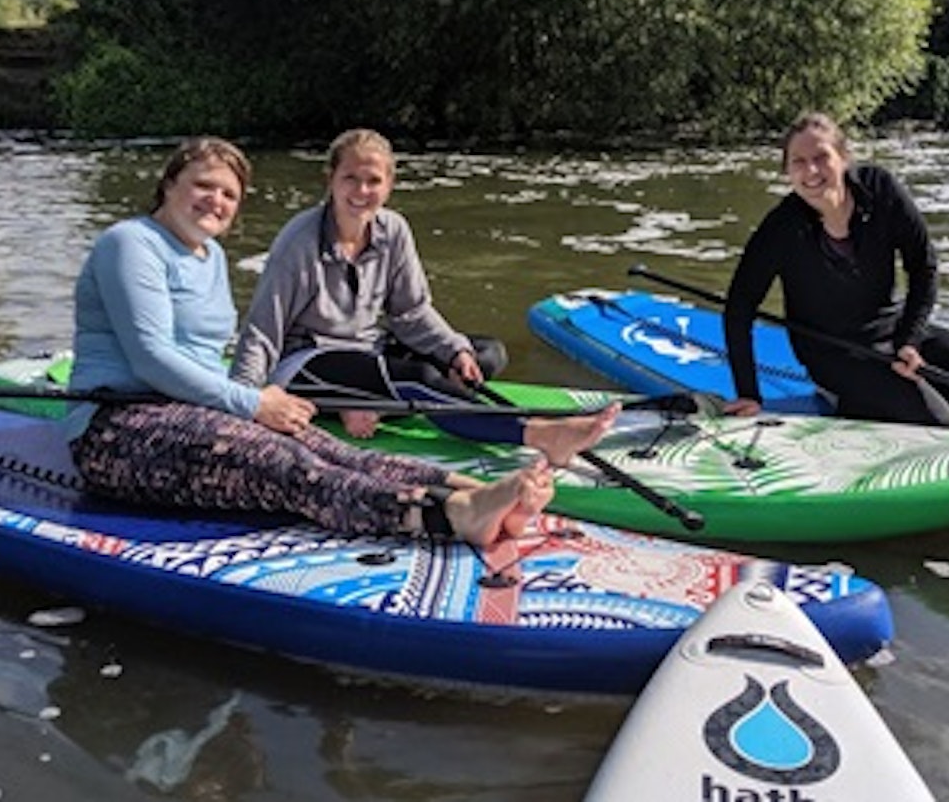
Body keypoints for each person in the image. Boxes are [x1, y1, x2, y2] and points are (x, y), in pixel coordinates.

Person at [65, 136, 592, 547]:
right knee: (290, 466)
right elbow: (151, 357)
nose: (216, 201)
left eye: (229, 193)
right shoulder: (129, 244)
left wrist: (249, 405)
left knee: (338, 451)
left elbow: (203, 358)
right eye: (204, 185)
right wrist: (253, 401)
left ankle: (475, 492)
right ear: (170, 184)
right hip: (118, 427)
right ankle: (449, 514)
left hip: (197, 410)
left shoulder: (210, 255)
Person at [231, 127, 619, 458]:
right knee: (419, 378)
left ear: (389, 185)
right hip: (306, 360)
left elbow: (412, 312)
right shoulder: (299, 241)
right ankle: (541, 434)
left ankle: (368, 404)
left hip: (368, 348)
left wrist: (454, 349)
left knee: (483, 355)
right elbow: (264, 330)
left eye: (373, 181)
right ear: (330, 180)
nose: (361, 190)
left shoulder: (393, 230)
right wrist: (247, 402)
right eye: (350, 178)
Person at [722, 112, 949, 428]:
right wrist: (749, 393)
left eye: (821, 157)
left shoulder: (880, 189)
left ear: (843, 158)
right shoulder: (782, 227)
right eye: (798, 162)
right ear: (787, 171)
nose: (811, 171)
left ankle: (912, 389)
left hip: (894, 331)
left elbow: (923, 266)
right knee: (941, 424)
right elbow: (739, 307)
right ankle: (854, 398)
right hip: (835, 354)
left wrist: (909, 341)